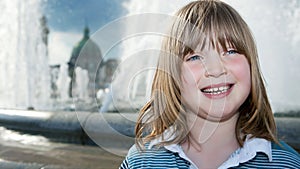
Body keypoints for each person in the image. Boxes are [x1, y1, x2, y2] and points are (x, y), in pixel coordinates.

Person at [119, 0, 300, 168]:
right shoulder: (141, 162)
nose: (215, 69)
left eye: (230, 51)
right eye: (195, 57)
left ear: (251, 65)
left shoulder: (287, 164)